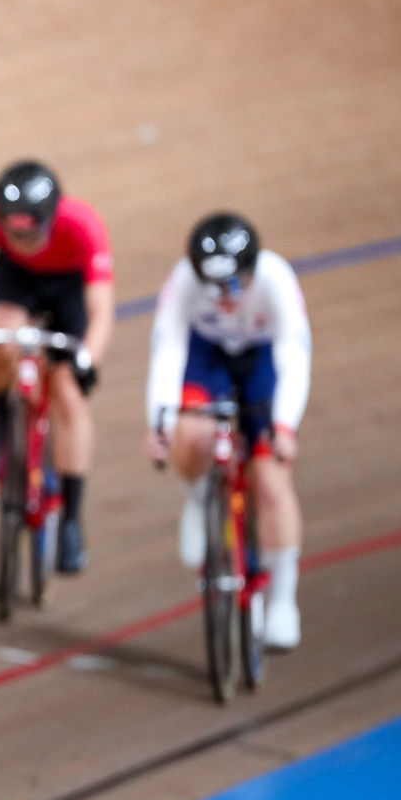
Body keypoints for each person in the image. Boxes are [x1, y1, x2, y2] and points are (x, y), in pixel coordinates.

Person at [145, 212, 310, 649]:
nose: (224, 297)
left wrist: (283, 426)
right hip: (208, 356)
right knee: (192, 435)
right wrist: (160, 423)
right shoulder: (183, 281)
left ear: (252, 271)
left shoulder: (275, 279)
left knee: (272, 483)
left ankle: (281, 601)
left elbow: (294, 352)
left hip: (262, 361)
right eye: (214, 287)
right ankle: (199, 502)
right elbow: (168, 350)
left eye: (234, 285)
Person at [0, 160, 115, 572]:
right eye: (12, 233)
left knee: (68, 394)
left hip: (69, 290)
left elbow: (102, 309)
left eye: (31, 233)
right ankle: (2, 416)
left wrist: (87, 359)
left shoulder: (83, 224)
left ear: (52, 218)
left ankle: (71, 519)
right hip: (17, 283)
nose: (21, 240)